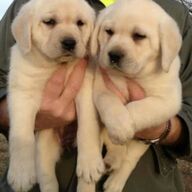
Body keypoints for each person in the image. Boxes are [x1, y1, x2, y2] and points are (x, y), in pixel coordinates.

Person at [0, 0, 192, 191]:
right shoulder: (27, 5)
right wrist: (21, 117)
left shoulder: (174, 14)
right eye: (50, 22)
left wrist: (163, 128)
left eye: (139, 36)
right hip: (35, 175)